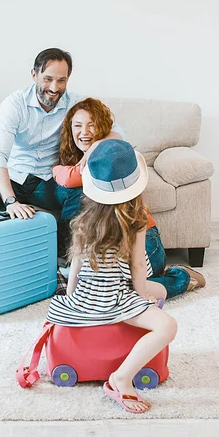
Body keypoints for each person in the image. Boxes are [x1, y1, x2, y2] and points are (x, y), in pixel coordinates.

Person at [47, 139, 178, 414]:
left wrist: (71, 300)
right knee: (167, 323)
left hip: (85, 297)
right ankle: (122, 377)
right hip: (116, 298)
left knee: (161, 292)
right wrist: (143, 301)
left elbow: (75, 267)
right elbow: (139, 272)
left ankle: (178, 282)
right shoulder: (136, 220)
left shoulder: (84, 220)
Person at [0, 48, 124, 258]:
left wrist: (95, 146)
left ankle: (59, 257)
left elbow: (119, 133)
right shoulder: (15, 104)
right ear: (34, 74)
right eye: (48, 79)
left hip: (51, 179)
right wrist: (11, 201)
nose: (54, 88)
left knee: (82, 195)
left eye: (61, 80)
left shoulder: (76, 104)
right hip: (16, 176)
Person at [52, 97, 206, 297]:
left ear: (103, 128)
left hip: (143, 246)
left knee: (124, 288)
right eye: (78, 125)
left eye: (92, 125)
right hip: (108, 248)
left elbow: (69, 177)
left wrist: (59, 169)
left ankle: (182, 279)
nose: (84, 132)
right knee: (100, 286)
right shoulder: (75, 159)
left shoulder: (116, 160)